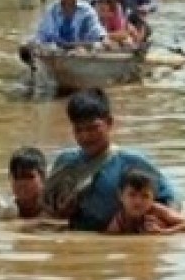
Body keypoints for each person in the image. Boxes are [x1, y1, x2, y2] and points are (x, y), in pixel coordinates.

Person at [43, 88, 177, 232]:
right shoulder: (66, 163)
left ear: (109, 122)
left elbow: (171, 200)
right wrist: (61, 212)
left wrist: (156, 225)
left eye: (92, 128)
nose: (85, 137)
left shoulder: (132, 162)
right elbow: (45, 207)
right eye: (78, 130)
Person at [104, 168, 185, 235]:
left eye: (145, 196)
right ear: (120, 196)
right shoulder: (119, 221)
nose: (138, 201)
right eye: (132, 195)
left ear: (153, 198)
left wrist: (164, 232)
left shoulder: (157, 211)